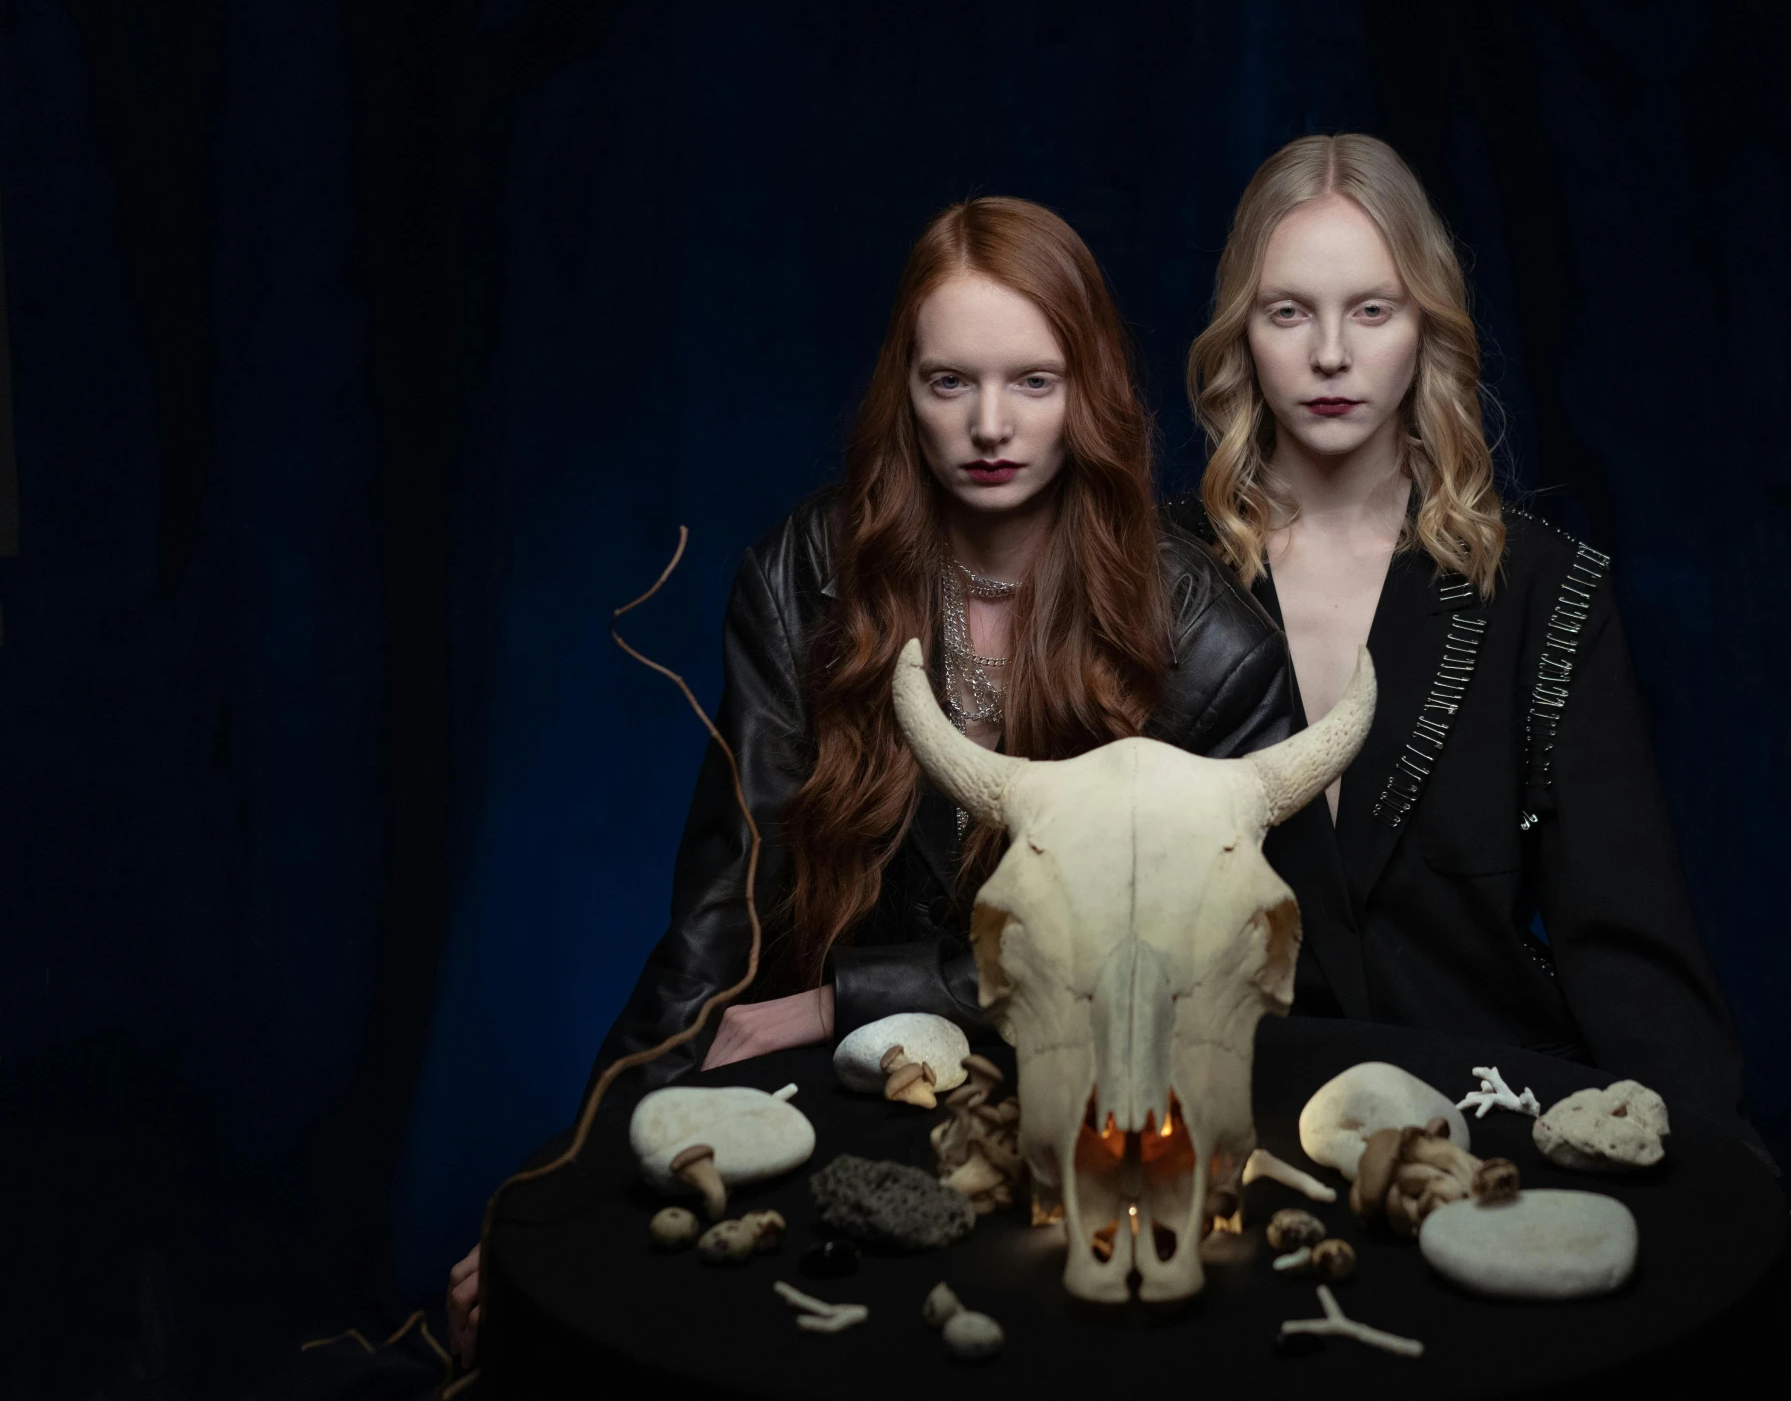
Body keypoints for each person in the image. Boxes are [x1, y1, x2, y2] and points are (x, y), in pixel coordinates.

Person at [448, 197, 1293, 1363]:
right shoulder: (805, 575)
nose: (989, 425)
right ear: (905, 388)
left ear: (1089, 390)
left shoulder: (1215, 652)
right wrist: (560, 1206)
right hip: (830, 1137)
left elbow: (1172, 966)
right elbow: (716, 924)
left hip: (1095, 1148)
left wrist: (850, 997)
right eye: (950, 382)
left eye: (1033, 382)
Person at [1171, 133, 1791, 1388]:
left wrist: (1740, 1194)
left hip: (1492, 1127)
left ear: (1428, 325)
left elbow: (1624, 939)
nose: (1330, 353)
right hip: (1236, 1146)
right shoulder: (1159, 584)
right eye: (1287, 311)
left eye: (1373, 309)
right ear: (1239, 335)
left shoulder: (1538, 588)